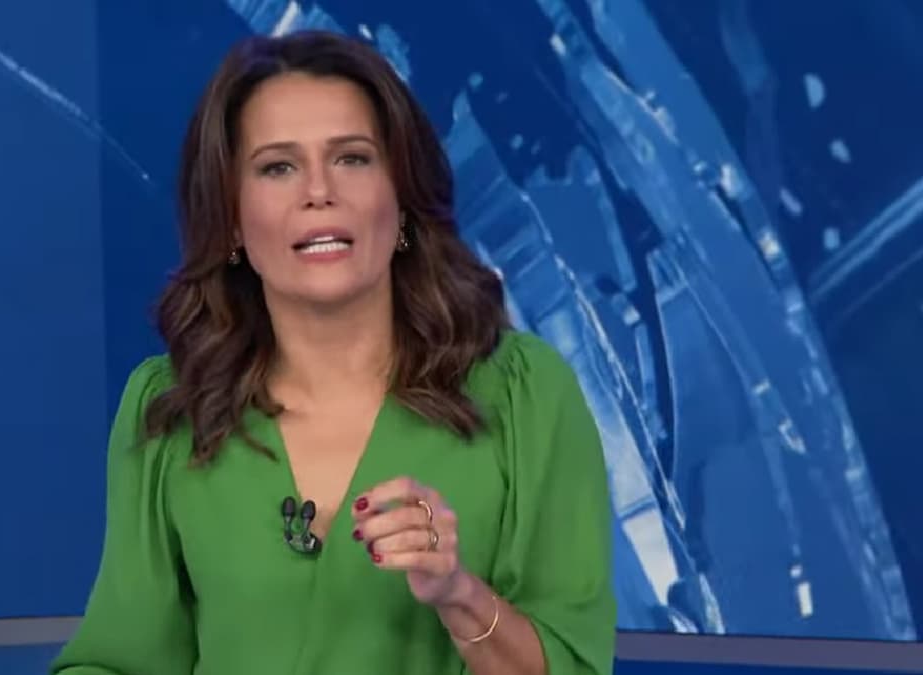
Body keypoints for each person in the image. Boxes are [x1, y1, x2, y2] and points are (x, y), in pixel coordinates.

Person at [50, 29, 615, 675]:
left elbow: (572, 665)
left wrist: (458, 594)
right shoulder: (173, 408)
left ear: (401, 201)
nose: (318, 191)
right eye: (277, 167)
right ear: (232, 218)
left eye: (352, 158)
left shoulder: (523, 395)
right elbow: (119, 659)